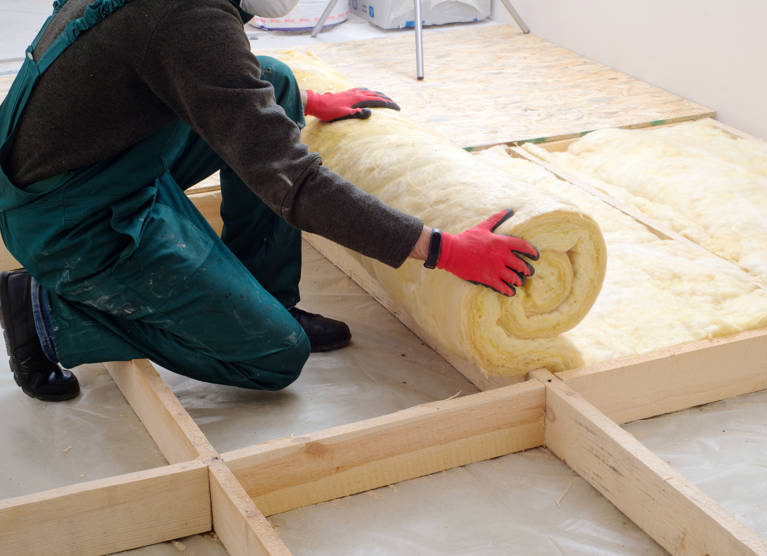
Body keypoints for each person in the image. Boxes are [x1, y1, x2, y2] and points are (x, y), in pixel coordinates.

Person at [0, 0, 538, 402]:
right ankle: (45, 312)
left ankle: (272, 294)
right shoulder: (185, 13)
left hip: (100, 159)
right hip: (69, 217)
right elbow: (296, 182)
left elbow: (180, 66)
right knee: (275, 355)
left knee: (275, 81)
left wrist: (304, 100)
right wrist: (442, 249)